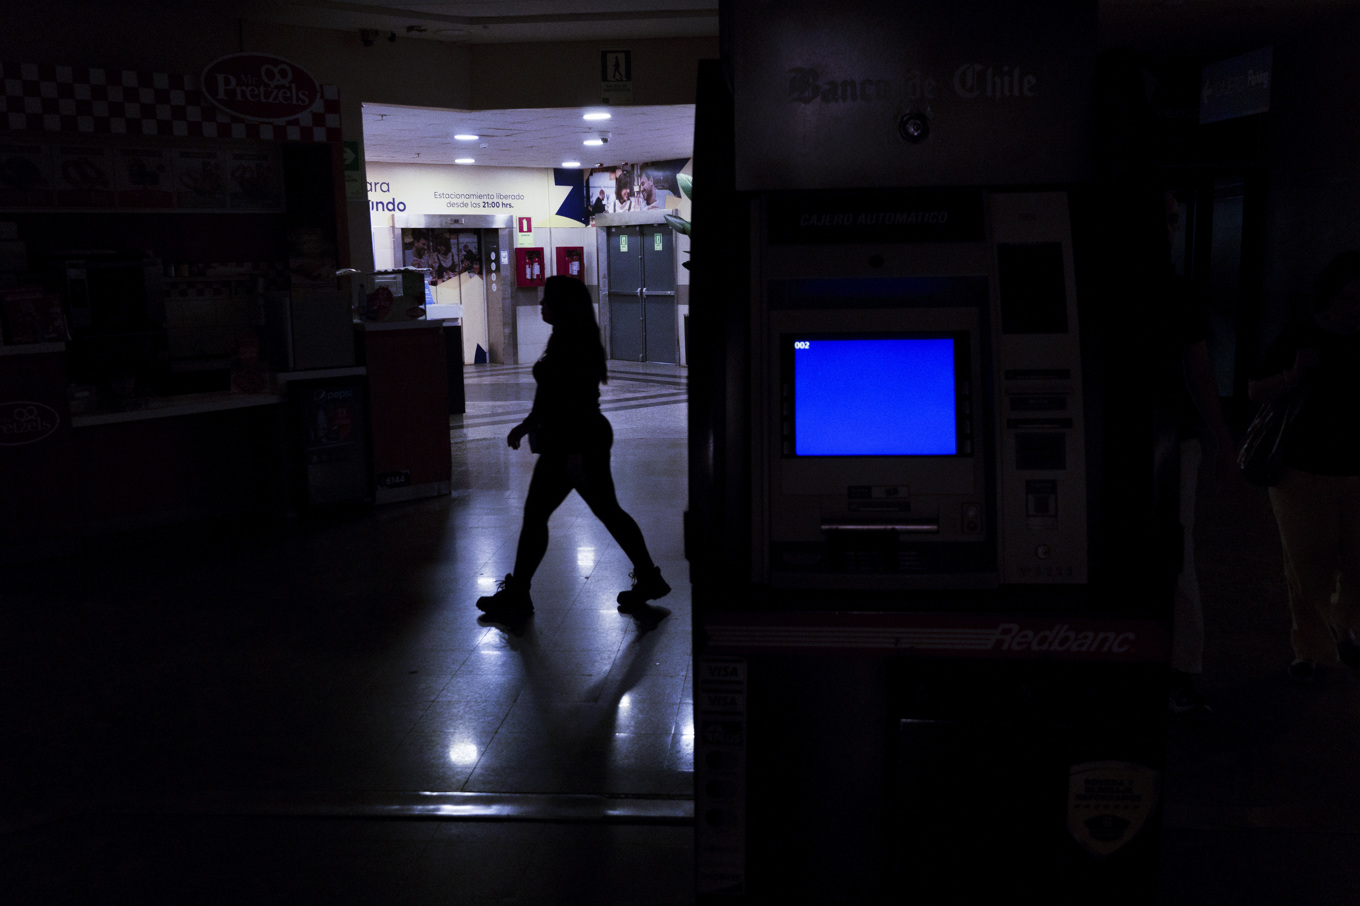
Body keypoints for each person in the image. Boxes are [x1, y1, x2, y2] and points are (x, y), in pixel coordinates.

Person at [476, 275, 670, 623]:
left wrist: (576, 455)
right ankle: (648, 577)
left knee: (541, 515)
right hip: (575, 439)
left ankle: (518, 594)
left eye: (546, 299)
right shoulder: (565, 336)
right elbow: (551, 394)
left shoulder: (574, 342)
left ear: (562, 305)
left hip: (575, 442)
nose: (540, 305)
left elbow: (577, 402)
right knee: (606, 512)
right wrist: (527, 424)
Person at [1248, 250, 1360, 683]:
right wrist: (1294, 375)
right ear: (1330, 296)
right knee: (1308, 567)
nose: (1354, 308)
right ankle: (1311, 650)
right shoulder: (1303, 336)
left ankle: (1343, 626)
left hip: (1354, 470)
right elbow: (1256, 390)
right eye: (1348, 298)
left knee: (1355, 564)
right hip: (1302, 468)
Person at [1159, 191, 1238, 719]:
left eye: (1172, 220)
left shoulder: (1171, 290)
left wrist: (1222, 439)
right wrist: (1222, 439)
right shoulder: (1177, 291)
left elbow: (1198, 368)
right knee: (1175, 552)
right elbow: (1198, 368)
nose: (1169, 229)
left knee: (1172, 551)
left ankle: (1174, 666)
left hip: (1158, 435)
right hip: (1172, 433)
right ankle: (1180, 669)